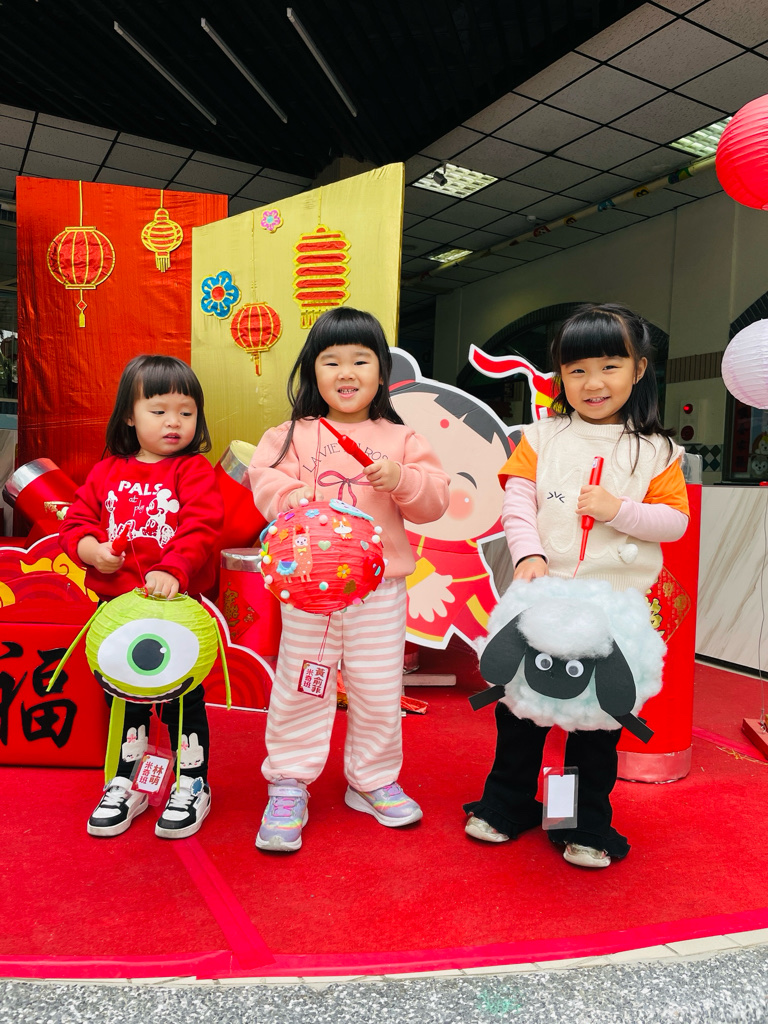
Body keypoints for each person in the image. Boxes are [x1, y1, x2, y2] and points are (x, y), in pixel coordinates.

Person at [463, 303, 689, 868]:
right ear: (560, 375)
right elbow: (517, 504)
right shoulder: (540, 438)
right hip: (543, 596)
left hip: (613, 611)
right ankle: (506, 804)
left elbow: (674, 523)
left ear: (639, 369)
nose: (593, 383)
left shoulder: (658, 451)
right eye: (577, 369)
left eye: (610, 366)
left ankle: (581, 825)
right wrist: (530, 554)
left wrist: (620, 511)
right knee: (519, 712)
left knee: (597, 724)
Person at [248, 307, 450, 852]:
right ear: (311, 371)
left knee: (378, 689)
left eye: (361, 360)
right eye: (330, 360)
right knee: (302, 685)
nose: (346, 372)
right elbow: (262, 480)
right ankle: (289, 780)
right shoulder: (291, 435)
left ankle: (372, 779)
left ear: (382, 372)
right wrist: (292, 495)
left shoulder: (402, 438)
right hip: (308, 592)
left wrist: (402, 479)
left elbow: (434, 501)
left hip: (378, 592)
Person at [59, 355, 223, 840]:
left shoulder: (193, 470)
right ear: (129, 416)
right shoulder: (106, 471)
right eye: (159, 410)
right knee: (122, 702)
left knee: (181, 702)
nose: (174, 422)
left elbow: (201, 526)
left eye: (186, 411)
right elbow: (76, 523)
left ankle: (192, 783)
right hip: (117, 615)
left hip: (175, 617)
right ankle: (124, 783)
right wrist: (92, 552)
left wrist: (173, 568)